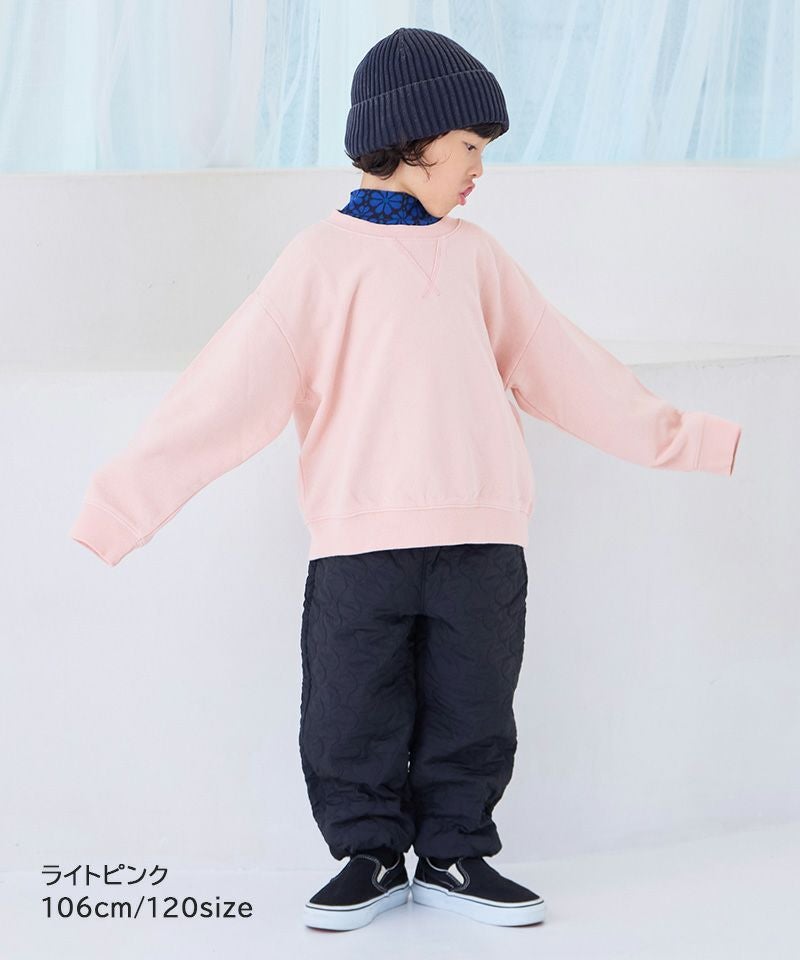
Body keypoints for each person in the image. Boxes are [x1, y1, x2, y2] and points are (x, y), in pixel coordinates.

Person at [70, 27, 742, 932]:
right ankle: (371, 855)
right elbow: (222, 396)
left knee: (476, 710)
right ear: (412, 138)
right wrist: (120, 508)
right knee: (349, 713)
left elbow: (569, 370)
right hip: (360, 546)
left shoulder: (478, 259)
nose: (479, 169)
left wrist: (688, 440)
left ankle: (457, 854)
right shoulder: (317, 262)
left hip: (482, 544)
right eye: (469, 146)